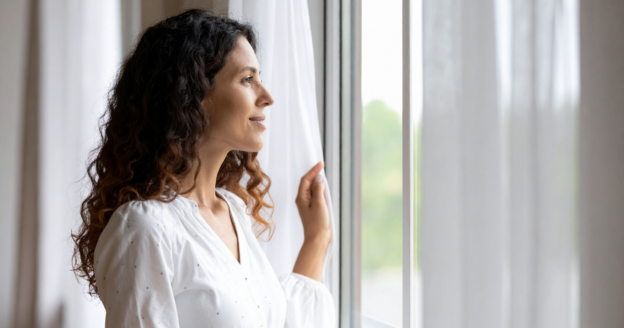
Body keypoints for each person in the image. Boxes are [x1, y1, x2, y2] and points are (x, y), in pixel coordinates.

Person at [71, 9, 334, 327]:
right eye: (247, 79)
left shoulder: (233, 210)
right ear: (193, 95)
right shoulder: (144, 228)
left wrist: (318, 237)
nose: (267, 97)